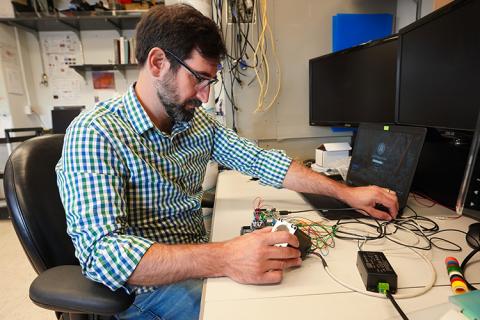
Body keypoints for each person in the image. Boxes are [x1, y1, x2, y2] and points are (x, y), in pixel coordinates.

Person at [56, 4, 398, 320]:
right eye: (198, 78)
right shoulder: (96, 132)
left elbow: (264, 162)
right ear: (158, 63)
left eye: (211, 81)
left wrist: (347, 194)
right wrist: (226, 257)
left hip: (198, 260)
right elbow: (101, 255)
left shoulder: (196, 123)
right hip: (146, 294)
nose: (205, 96)